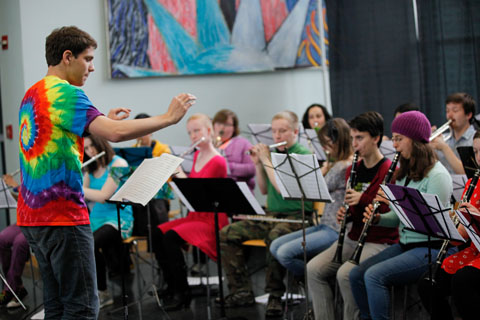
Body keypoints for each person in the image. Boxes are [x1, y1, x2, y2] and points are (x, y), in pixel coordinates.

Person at [18, 26, 195, 319]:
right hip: (61, 217)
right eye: (87, 59)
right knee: (82, 307)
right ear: (67, 57)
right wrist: (168, 118)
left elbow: (58, 139)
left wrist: (102, 122)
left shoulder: (33, 93)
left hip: (32, 216)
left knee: (58, 305)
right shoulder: (66, 93)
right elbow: (115, 134)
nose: (91, 66)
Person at [349, 111, 454, 320]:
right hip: (407, 245)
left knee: (374, 276)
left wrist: (395, 204)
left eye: (399, 139)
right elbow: (397, 221)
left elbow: (430, 225)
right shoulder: (406, 172)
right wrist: (378, 218)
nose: (394, 145)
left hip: (431, 247)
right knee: (356, 275)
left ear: (415, 140)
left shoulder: (438, 176)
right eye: (394, 138)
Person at [220, 111, 314, 318]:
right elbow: (264, 190)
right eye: (274, 131)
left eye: (283, 131)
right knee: (227, 233)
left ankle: (275, 295)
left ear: (295, 132)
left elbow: (282, 189)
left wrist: (266, 160)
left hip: (297, 217)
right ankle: (241, 291)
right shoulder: (272, 156)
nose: (277, 136)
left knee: (274, 238)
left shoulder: (303, 155)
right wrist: (258, 165)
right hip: (272, 214)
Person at [307, 111, 399, 320]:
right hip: (354, 237)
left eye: (360, 138)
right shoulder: (352, 170)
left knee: (345, 275)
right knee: (313, 269)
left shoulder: (389, 170)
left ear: (375, 138)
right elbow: (355, 209)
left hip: (380, 240)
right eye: (352, 138)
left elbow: (387, 212)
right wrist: (346, 214)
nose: (354, 144)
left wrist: (363, 200)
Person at [151, 113, 227, 311]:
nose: (193, 136)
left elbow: (199, 197)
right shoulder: (197, 156)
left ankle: (182, 292)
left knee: (171, 238)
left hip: (211, 218)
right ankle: (171, 285)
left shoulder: (217, 160)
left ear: (208, 131)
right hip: (196, 215)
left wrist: (176, 171)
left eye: (197, 131)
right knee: (157, 232)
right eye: (190, 133)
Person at [269, 118, 353, 278]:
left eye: (327, 143)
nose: (323, 148)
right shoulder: (337, 164)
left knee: (284, 253)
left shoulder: (343, 166)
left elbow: (313, 188)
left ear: (338, 141)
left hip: (335, 230)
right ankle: (316, 277)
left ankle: (321, 279)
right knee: (275, 246)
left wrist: (324, 169)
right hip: (324, 225)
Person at [417, 130, 480, 320]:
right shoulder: (473, 183)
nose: (479, 158)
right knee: (429, 282)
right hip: (475, 251)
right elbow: (461, 237)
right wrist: (449, 226)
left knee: (463, 280)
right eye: (476, 152)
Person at [82, 135, 133, 309]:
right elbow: (82, 197)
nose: (90, 152)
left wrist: (78, 188)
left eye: (92, 146)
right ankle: (86, 290)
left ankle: (102, 292)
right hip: (95, 218)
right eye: (86, 149)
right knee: (77, 242)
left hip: (118, 218)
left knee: (90, 243)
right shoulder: (91, 168)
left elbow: (104, 196)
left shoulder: (119, 164)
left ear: (101, 143)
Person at [131, 113, 173, 235]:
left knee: (155, 206)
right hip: (140, 196)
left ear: (150, 131)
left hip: (159, 197)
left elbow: (167, 178)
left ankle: (160, 238)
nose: (139, 136)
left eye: (142, 131)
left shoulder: (163, 150)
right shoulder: (132, 151)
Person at [0, 174, 29, 308]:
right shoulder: (26, 167)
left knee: (19, 242)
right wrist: (7, 195)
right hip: (25, 219)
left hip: (41, 220)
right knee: (2, 238)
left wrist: (14, 185)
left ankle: (9, 290)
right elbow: (25, 199)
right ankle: (17, 287)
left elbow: (38, 197)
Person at [431, 92, 476, 174]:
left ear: (468, 115)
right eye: (447, 111)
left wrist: (444, 148)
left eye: (455, 111)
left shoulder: (476, 139)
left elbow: (468, 173)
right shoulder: (443, 139)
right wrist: (428, 147)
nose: (449, 115)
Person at [212, 109, 256, 192]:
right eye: (219, 123)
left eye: (227, 124)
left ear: (234, 128)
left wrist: (227, 166)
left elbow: (252, 169)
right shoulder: (209, 144)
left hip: (239, 191)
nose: (222, 127)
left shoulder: (244, 143)